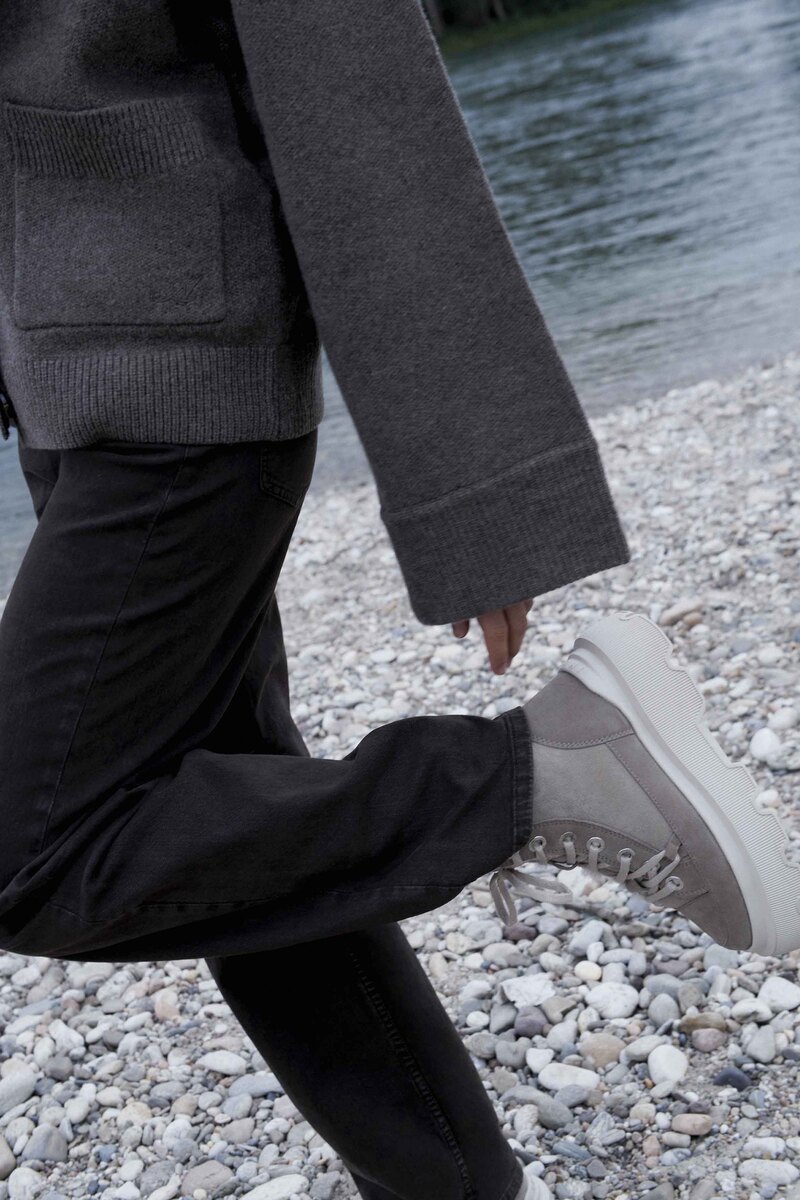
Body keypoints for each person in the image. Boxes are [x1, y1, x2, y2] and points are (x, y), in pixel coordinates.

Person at [0, 5, 797, 1199]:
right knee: (234, 827)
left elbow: (355, 91)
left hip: (173, 391)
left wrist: (482, 496)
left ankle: (545, 772)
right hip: (73, 376)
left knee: (29, 849)